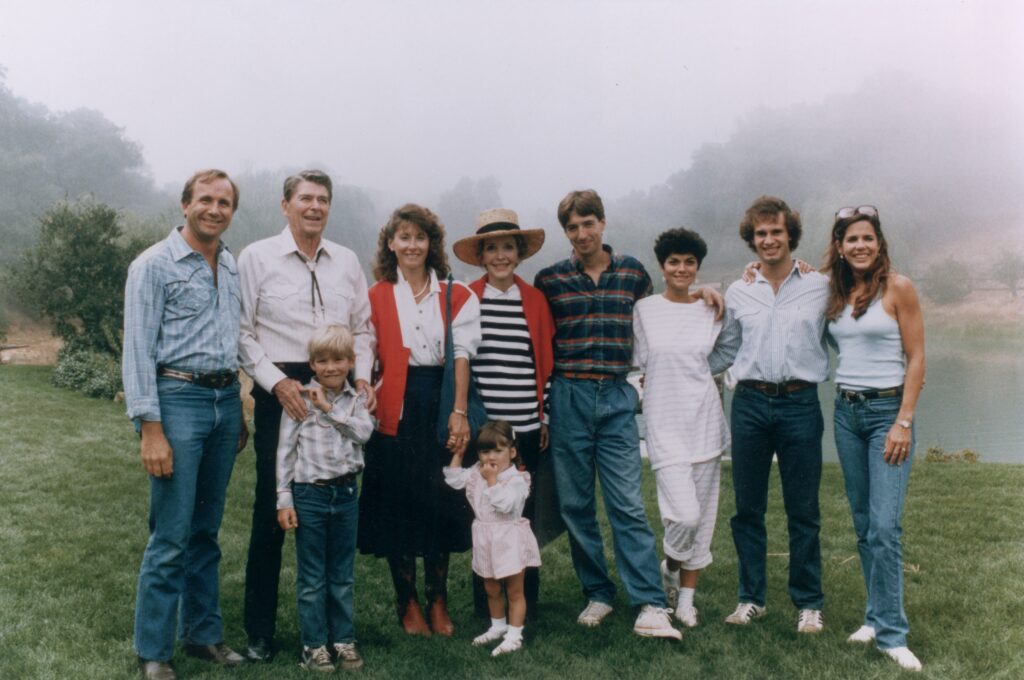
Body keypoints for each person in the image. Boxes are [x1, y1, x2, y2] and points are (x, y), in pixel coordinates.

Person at [534, 189, 720, 640]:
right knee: (576, 505)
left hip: (617, 397)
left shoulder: (633, 272)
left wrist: (701, 291)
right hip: (569, 396)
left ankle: (650, 602)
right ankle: (598, 592)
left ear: (602, 223)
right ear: (566, 232)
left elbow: (663, 314)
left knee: (627, 505)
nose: (581, 234)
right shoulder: (550, 279)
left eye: (588, 224)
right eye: (572, 227)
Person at [237, 169, 374, 662]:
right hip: (285, 384)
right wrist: (276, 383)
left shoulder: (347, 261)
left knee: (336, 496)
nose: (314, 207)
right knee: (271, 511)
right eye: (305, 199)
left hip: (339, 382)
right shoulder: (256, 257)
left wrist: (362, 377)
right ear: (285, 205)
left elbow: (362, 328)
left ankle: (334, 629)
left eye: (322, 200)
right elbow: (242, 331)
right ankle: (260, 630)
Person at [123, 169, 247, 680]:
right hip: (177, 401)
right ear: (184, 205)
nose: (214, 209)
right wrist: (151, 429)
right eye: (205, 200)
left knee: (206, 531)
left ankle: (202, 635)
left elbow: (234, 340)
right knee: (171, 533)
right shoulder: (153, 266)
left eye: (224, 202)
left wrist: (241, 406)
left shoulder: (232, 265)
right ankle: (154, 650)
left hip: (224, 401)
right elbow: (136, 353)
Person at [357, 203, 481, 637]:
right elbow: (365, 349)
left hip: (440, 399)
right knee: (398, 505)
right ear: (391, 243)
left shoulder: (457, 294)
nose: (412, 245)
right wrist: (363, 384)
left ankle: (438, 600)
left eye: (420, 237)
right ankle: (406, 600)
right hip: (394, 406)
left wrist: (459, 411)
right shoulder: (375, 294)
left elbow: (462, 356)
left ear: (432, 244)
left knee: (441, 504)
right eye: (404, 237)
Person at [708, 195, 829, 634]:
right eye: (761, 233)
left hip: (800, 403)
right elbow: (726, 348)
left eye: (776, 231)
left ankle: (808, 603)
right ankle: (750, 598)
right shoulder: (739, 290)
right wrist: (681, 370)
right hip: (751, 406)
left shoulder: (820, 285)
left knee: (804, 509)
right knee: (748, 508)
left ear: (790, 235)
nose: (769, 239)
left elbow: (842, 337)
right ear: (751, 239)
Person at [824, 206, 925, 672]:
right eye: (851, 240)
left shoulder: (898, 288)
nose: (860, 246)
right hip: (846, 413)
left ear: (878, 243)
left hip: (887, 413)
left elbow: (917, 356)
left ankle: (893, 634)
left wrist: (903, 420)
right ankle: (874, 615)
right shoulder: (835, 292)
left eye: (867, 238)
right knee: (864, 524)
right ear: (840, 247)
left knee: (886, 527)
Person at [452, 208, 563, 616]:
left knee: (521, 517)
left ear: (519, 254)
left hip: (527, 429)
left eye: (508, 248)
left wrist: (545, 417)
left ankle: (524, 601)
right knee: (484, 515)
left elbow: (544, 365)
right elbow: (463, 360)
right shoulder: (468, 298)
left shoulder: (533, 300)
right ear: (481, 256)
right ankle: (488, 604)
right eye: (492, 248)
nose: (500, 255)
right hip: (486, 432)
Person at [632, 227, 730, 629]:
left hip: (705, 423)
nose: (682, 268)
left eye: (690, 262)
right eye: (674, 261)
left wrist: (712, 294)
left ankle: (686, 599)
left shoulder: (712, 309)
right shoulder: (644, 310)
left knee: (703, 518)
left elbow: (726, 353)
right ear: (662, 265)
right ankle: (669, 568)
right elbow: (636, 366)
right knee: (683, 517)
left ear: (698, 267)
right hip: (663, 425)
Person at [276, 324, 375, 673]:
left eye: (338, 360)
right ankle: (314, 645)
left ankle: (344, 641)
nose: (331, 367)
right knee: (313, 575)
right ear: (312, 364)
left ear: (350, 361)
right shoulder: (301, 400)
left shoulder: (357, 400)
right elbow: (285, 451)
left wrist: (330, 411)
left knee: (342, 574)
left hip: (347, 493)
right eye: (322, 361)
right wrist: (284, 498)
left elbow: (364, 433)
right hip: (310, 495)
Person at [444, 420, 542, 657]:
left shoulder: (517, 479)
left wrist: (491, 481)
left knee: (514, 590)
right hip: (485, 537)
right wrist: (458, 455)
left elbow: (506, 505)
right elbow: (455, 480)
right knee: (491, 587)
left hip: (509, 539)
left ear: (512, 451)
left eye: (498, 451)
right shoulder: (478, 470)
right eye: (485, 451)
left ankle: (515, 633)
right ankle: (497, 626)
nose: (491, 457)